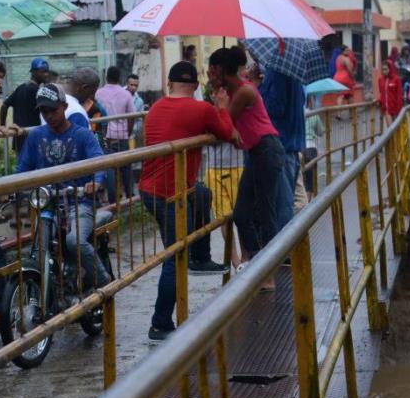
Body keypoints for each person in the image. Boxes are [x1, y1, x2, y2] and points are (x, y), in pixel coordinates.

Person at [140, 61, 235, 341]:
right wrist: (221, 105)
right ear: (195, 86)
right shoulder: (201, 109)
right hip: (171, 194)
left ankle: (201, 257)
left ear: (169, 83)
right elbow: (227, 132)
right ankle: (160, 323)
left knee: (202, 194)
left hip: (153, 189)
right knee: (174, 255)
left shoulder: (156, 107)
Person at [15, 84, 111, 293]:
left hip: (79, 202)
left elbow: (99, 161)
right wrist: (8, 189)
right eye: (44, 111)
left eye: (53, 110)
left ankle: (104, 281)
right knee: (38, 247)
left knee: (74, 240)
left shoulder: (82, 135)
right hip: (46, 204)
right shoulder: (35, 136)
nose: (49, 115)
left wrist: (95, 182)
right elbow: (22, 168)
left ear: (64, 106)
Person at [208, 47, 284, 291]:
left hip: (267, 151)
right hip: (256, 153)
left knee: (265, 214)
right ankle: (254, 265)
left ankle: (268, 274)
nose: (208, 74)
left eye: (211, 69)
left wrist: (221, 108)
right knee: (241, 214)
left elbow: (223, 126)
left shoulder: (244, 91)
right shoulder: (231, 92)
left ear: (220, 70)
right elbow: (225, 129)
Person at [258, 66, 305, 230]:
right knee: (287, 203)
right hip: (294, 143)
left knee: (282, 207)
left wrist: (259, 86)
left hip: (281, 143)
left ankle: (285, 254)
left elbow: (274, 107)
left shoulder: (276, 71)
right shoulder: (294, 70)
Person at [95, 66, 137, 202]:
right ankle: (130, 196)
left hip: (105, 136)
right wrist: (128, 132)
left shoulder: (98, 93)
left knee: (109, 168)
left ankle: (113, 200)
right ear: (120, 78)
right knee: (126, 165)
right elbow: (132, 116)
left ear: (106, 77)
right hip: (121, 136)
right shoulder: (126, 95)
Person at [0, 58, 49, 152]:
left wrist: (2, 124)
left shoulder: (21, 88)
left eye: (47, 72)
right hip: (33, 137)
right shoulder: (39, 92)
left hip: (19, 137)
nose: (46, 74)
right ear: (33, 72)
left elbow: (4, 105)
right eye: (42, 72)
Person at [303, 96, 324, 198]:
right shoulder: (314, 115)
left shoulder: (298, 114)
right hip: (311, 147)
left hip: (300, 148)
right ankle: (309, 205)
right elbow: (321, 132)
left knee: (302, 177)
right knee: (310, 180)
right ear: (310, 101)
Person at [378, 59, 404, 123]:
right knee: (390, 128)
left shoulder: (396, 79)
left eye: (386, 69)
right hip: (386, 109)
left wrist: (399, 109)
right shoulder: (380, 79)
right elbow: (381, 93)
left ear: (390, 68)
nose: (384, 71)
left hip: (395, 108)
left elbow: (399, 95)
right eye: (383, 69)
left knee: (396, 129)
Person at [125, 73, 145, 142]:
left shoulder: (139, 101)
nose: (134, 87)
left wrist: (133, 130)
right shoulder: (119, 94)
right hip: (117, 132)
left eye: (136, 85)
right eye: (131, 85)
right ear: (127, 84)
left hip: (131, 135)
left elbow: (140, 120)